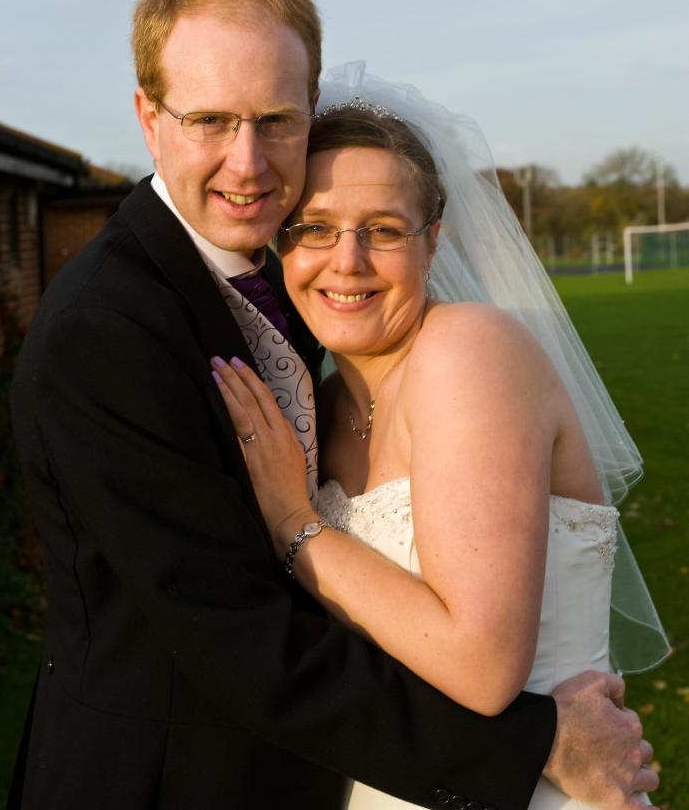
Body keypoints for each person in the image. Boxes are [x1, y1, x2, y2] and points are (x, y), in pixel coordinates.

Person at [8, 0, 657, 810]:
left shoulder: (363, 334)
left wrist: (299, 525)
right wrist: (534, 744)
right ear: (148, 117)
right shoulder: (109, 326)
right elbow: (234, 633)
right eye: (211, 119)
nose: (247, 162)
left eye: (276, 120)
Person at [211, 64, 669, 809]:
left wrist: (297, 523)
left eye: (384, 231)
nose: (347, 260)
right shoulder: (320, 406)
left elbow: (483, 665)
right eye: (316, 228)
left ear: (434, 243)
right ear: (280, 243)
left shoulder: (469, 350)